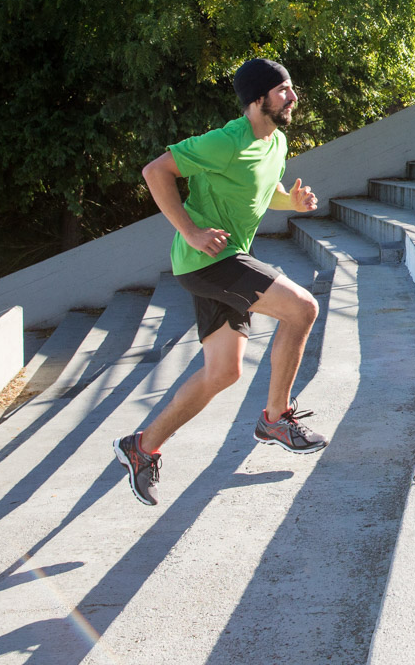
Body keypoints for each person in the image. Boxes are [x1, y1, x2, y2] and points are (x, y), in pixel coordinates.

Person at [112, 57, 327, 506]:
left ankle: (142, 447)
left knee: (223, 372)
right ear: (257, 99)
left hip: (225, 259)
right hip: (207, 259)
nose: (292, 96)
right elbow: (156, 171)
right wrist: (190, 231)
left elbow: (263, 191)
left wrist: (294, 201)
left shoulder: (276, 143)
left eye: (291, 87)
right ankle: (275, 418)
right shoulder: (226, 141)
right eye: (282, 89)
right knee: (302, 308)